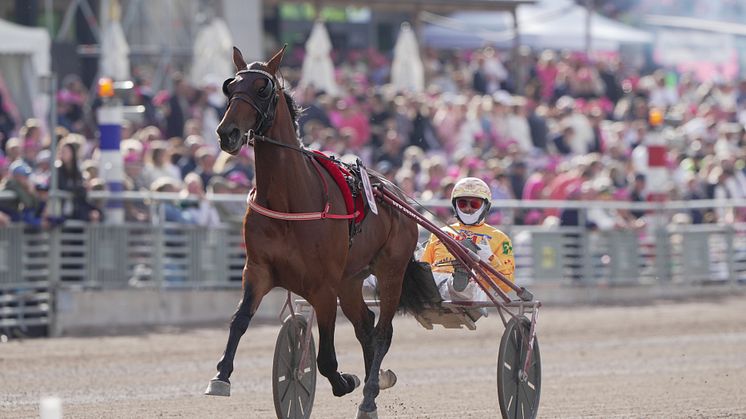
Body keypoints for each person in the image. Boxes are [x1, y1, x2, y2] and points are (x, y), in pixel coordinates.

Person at [421, 177, 515, 302]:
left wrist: (491, 260)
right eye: (463, 203)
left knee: (466, 286)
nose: (468, 208)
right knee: (418, 264)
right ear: (455, 205)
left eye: (475, 204)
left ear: (486, 205)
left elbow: (507, 285)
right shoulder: (441, 232)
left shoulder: (500, 238)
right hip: (436, 282)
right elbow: (425, 266)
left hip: (474, 287)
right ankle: (457, 276)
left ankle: (462, 275)